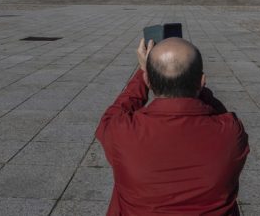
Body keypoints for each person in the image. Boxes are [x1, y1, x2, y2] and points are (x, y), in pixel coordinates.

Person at [96, 37, 249, 215]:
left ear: (149, 81)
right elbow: (220, 113)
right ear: (201, 81)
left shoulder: (121, 131)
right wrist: (194, 87)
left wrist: (142, 74)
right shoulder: (230, 133)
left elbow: (110, 116)